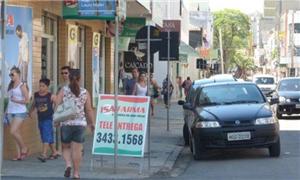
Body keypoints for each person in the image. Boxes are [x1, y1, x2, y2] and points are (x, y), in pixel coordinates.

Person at [55, 69, 95, 179]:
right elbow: (89, 110)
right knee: (77, 150)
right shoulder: (85, 92)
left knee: (66, 147)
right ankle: (76, 173)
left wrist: (56, 120)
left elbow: (57, 105)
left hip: (66, 123)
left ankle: (68, 164)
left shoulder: (63, 90)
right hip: (80, 123)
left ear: (69, 77)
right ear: (80, 78)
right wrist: (92, 123)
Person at [29, 78, 60, 162]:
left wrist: (55, 113)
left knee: (46, 135)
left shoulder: (51, 96)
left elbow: (58, 103)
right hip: (40, 118)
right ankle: (54, 152)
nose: (41, 88)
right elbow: (34, 104)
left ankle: (44, 154)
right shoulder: (36, 95)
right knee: (45, 135)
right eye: (40, 86)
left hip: (48, 118)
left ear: (47, 87)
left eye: (43, 86)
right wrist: (30, 111)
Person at [6, 66, 30, 161]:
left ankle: (24, 148)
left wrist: (17, 101)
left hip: (20, 111)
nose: (11, 76)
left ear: (18, 74)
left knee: (13, 131)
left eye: (12, 74)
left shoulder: (22, 86)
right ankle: (19, 154)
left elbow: (27, 100)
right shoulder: (10, 85)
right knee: (16, 133)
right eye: (10, 74)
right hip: (10, 111)